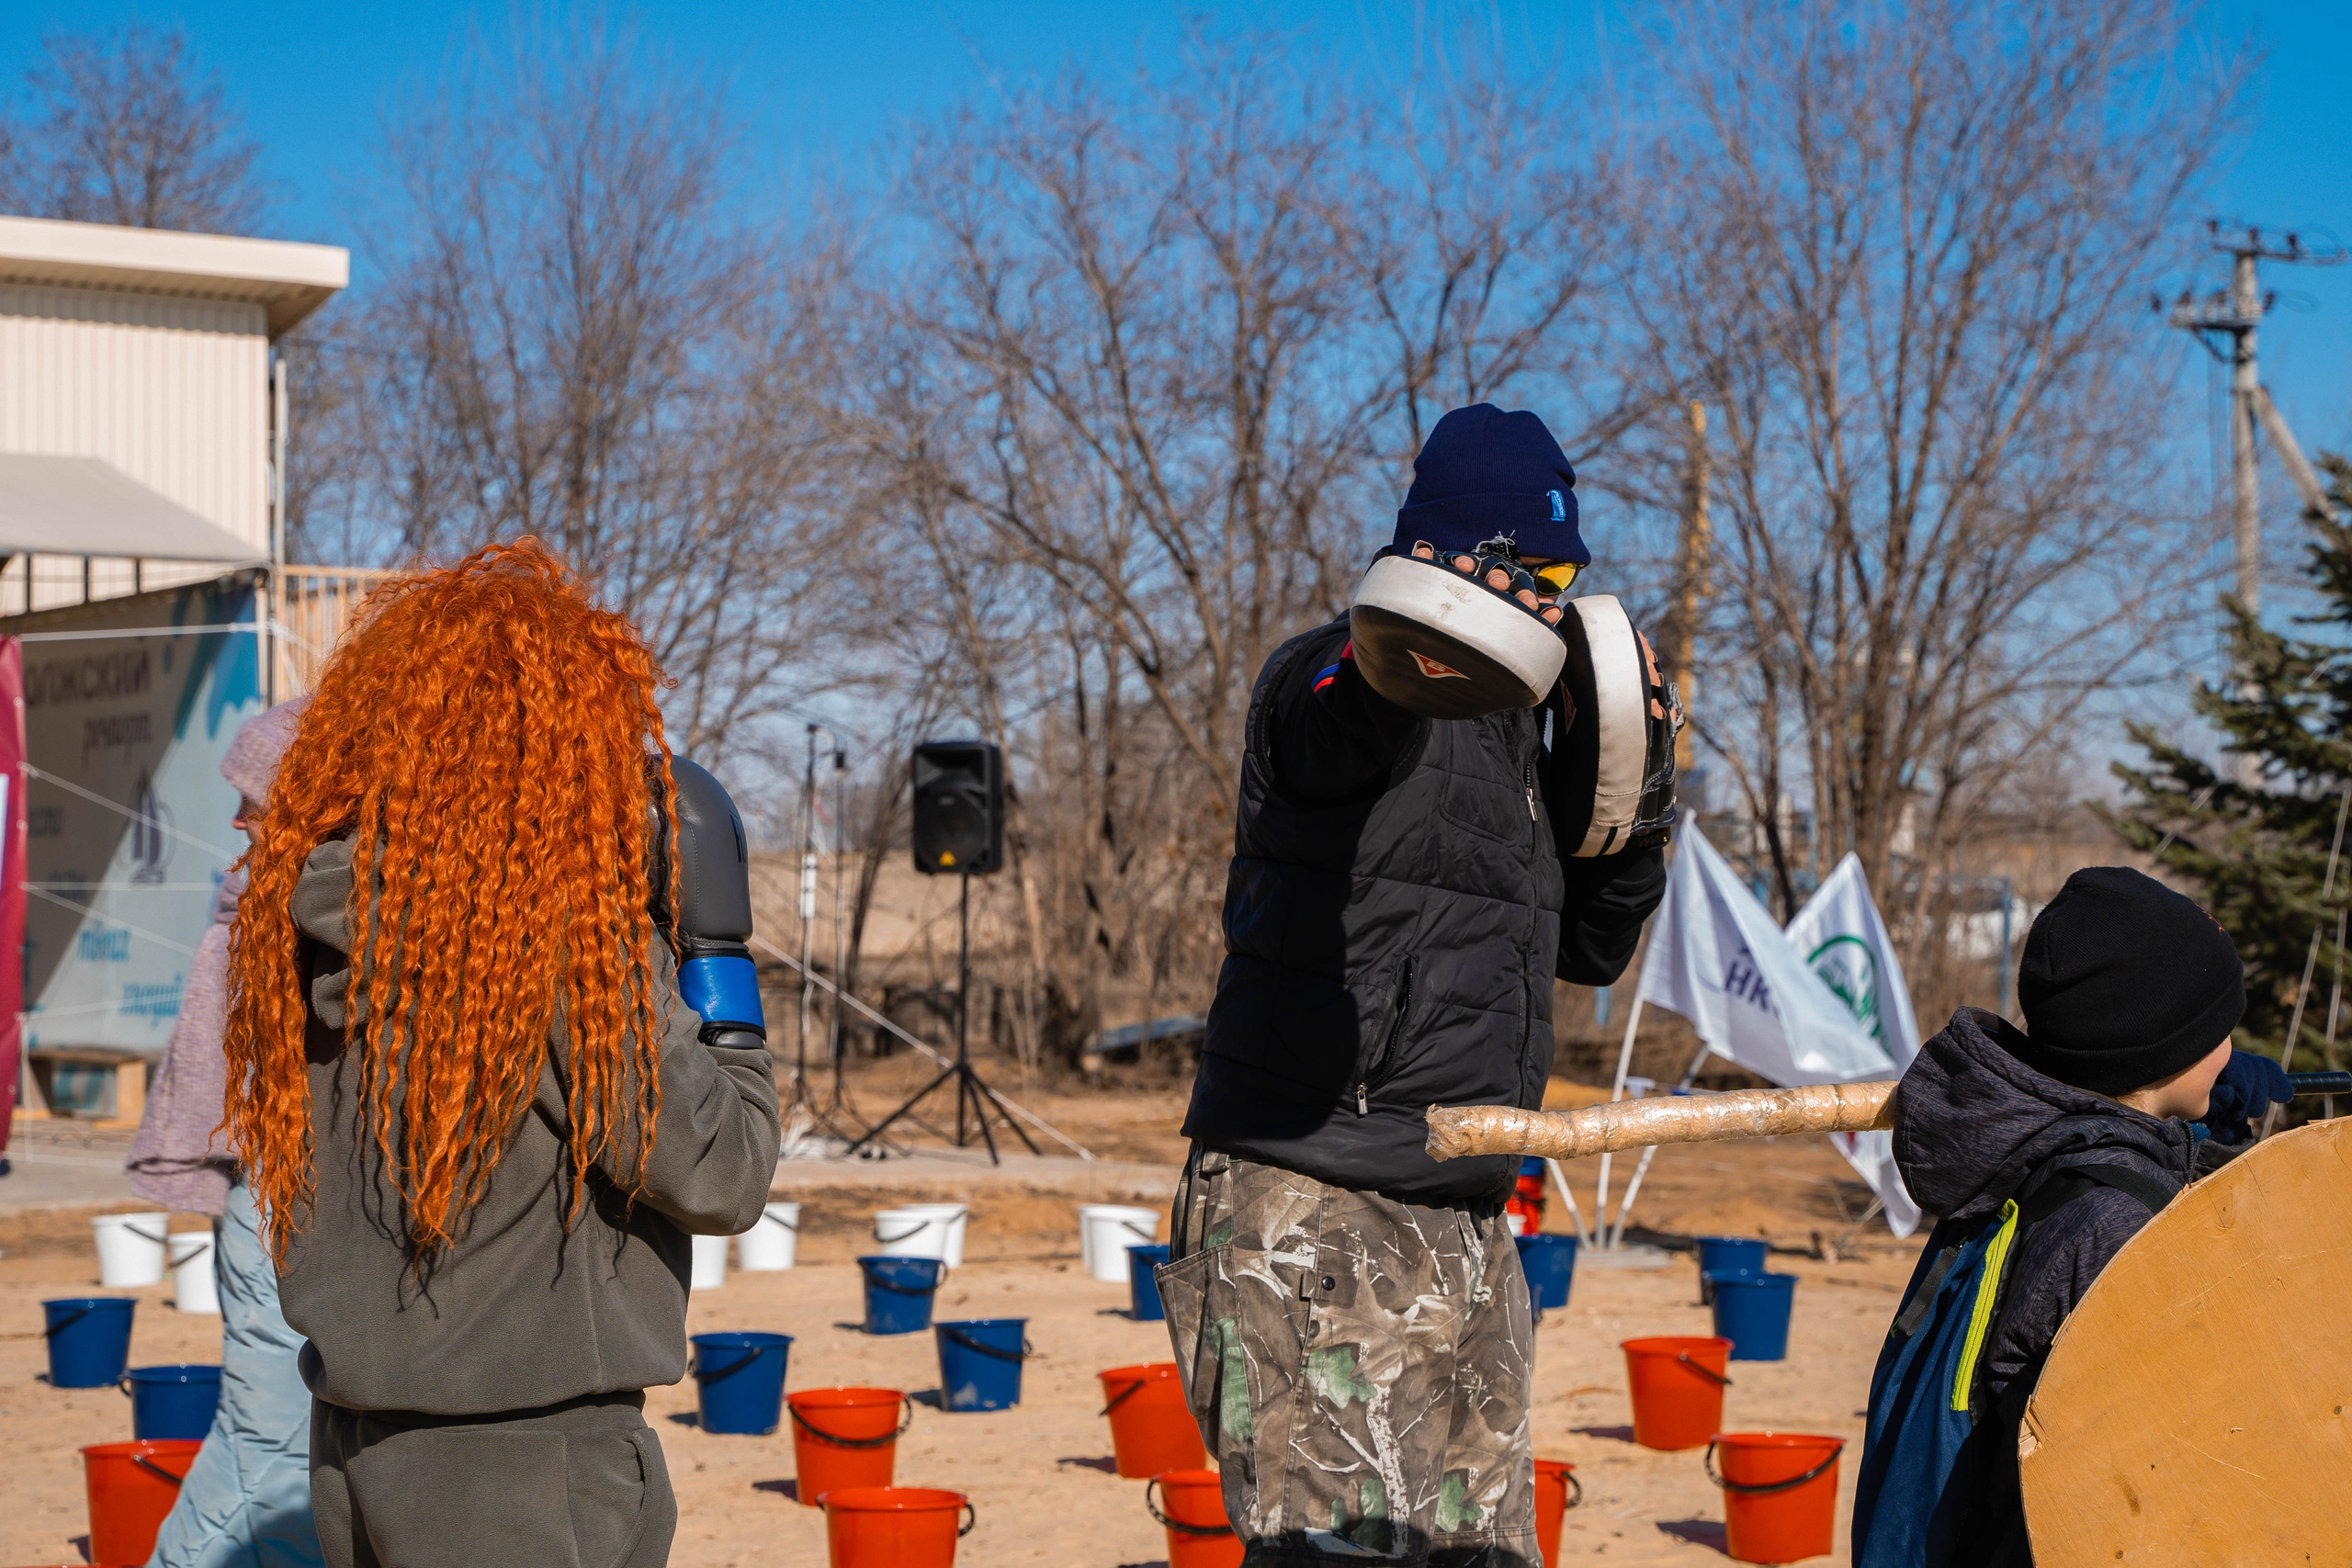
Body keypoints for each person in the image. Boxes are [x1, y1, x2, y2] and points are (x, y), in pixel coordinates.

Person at [1160, 403, 1669, 1565]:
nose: (1548, 600)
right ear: (1450, 562)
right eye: (1525, 573)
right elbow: (1332, 714)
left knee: (1482, 1555)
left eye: (1562, 576)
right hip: (1312, 1201)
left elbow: (1586, 953)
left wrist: (1635, 815)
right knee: (1335, 1554)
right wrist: (1400, 652)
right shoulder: (1330, 679)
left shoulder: (1525, 752)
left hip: (1467, 1207)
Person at [221, 539, 782, 1568]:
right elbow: (725, 1172)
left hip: (357, 1447)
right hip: (529, 1467)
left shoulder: (312, 920)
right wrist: (717, 960)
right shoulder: (544, 943)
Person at [1855, 865, 2282, 1564]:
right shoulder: (2115, 1226)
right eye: (2221, 1031)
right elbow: (2147, 1475)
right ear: (2161, 1052)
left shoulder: (2038, 1158)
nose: (2232, 1048)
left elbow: (2118, 1136)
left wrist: (2204, 1129)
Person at [129, 696, 323, 1568]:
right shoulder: (265, 903)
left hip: (302, 1187)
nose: (238, 814)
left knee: (295, 1446)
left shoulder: (315, 906)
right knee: (273, 1443)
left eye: (257, 794)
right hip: (276, 1187)